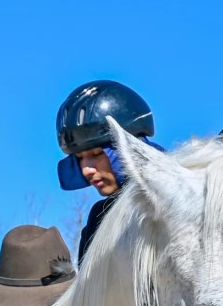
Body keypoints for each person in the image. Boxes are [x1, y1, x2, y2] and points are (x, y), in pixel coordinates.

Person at [54, 80, 160, 260]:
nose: (86, 170)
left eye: (96, 154)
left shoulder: (180, 201)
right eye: (79, 158)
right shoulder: (98, 220)